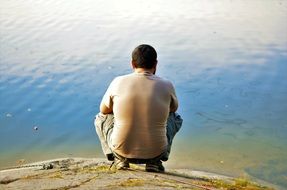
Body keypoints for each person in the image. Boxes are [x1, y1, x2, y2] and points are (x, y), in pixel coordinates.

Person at [94, 44, 182, 172]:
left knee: (100, 118)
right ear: (155, 64)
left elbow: (104, 111)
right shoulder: (166, 85)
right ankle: (154, 162)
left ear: (132, 64)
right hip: (156, 152)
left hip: (121, 151)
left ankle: (118, 159)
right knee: (175, 117)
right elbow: (173, 110)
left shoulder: (118, 81)